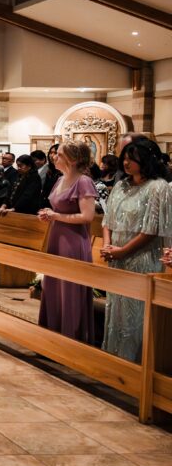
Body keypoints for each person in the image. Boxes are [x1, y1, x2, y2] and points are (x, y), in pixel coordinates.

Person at [101, 139, 172, 362]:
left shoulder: (158, 187)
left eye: (132, 159)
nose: (126, 163)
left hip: (142, 258)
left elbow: (151, 230)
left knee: (136, 314)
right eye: (124, 158)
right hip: (116, 256)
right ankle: (115, 360)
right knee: (117, 311)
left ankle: (134, 364)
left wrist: (122, 251)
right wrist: (107, 245)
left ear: (147, 160)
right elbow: (107, 220)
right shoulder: (121, 185)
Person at [37, 141, 98, 344]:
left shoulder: (83, 181)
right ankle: (51, 336)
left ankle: (70, 339)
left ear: (72, 159)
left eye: (59, 154)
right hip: (57, 236)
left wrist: (56, 216)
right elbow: (58, 209)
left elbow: (87, 216)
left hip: (73, 241)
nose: (54, 157)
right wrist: (48, 214)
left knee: (69, 288)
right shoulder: (60, 179)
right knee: (54, 286)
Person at [41, 144, 62, 208]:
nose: (52, 155)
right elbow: (45, 190)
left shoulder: (63, 171)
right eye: (50, 152)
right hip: (46, 204)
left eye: (55, 153)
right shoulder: (50, 170)